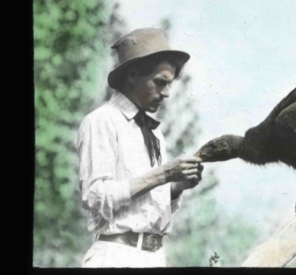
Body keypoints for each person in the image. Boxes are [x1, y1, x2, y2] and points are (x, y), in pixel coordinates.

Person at [76, 28, 203, 267]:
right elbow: (95, 196)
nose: (166, 93)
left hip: (155, 258)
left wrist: (176, 186)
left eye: (170, 84)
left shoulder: (154, 132)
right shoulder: (101, 120)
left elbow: (149, 206)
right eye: (160, 82)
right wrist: (163, 174)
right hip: (115, 256)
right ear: (133, 75)